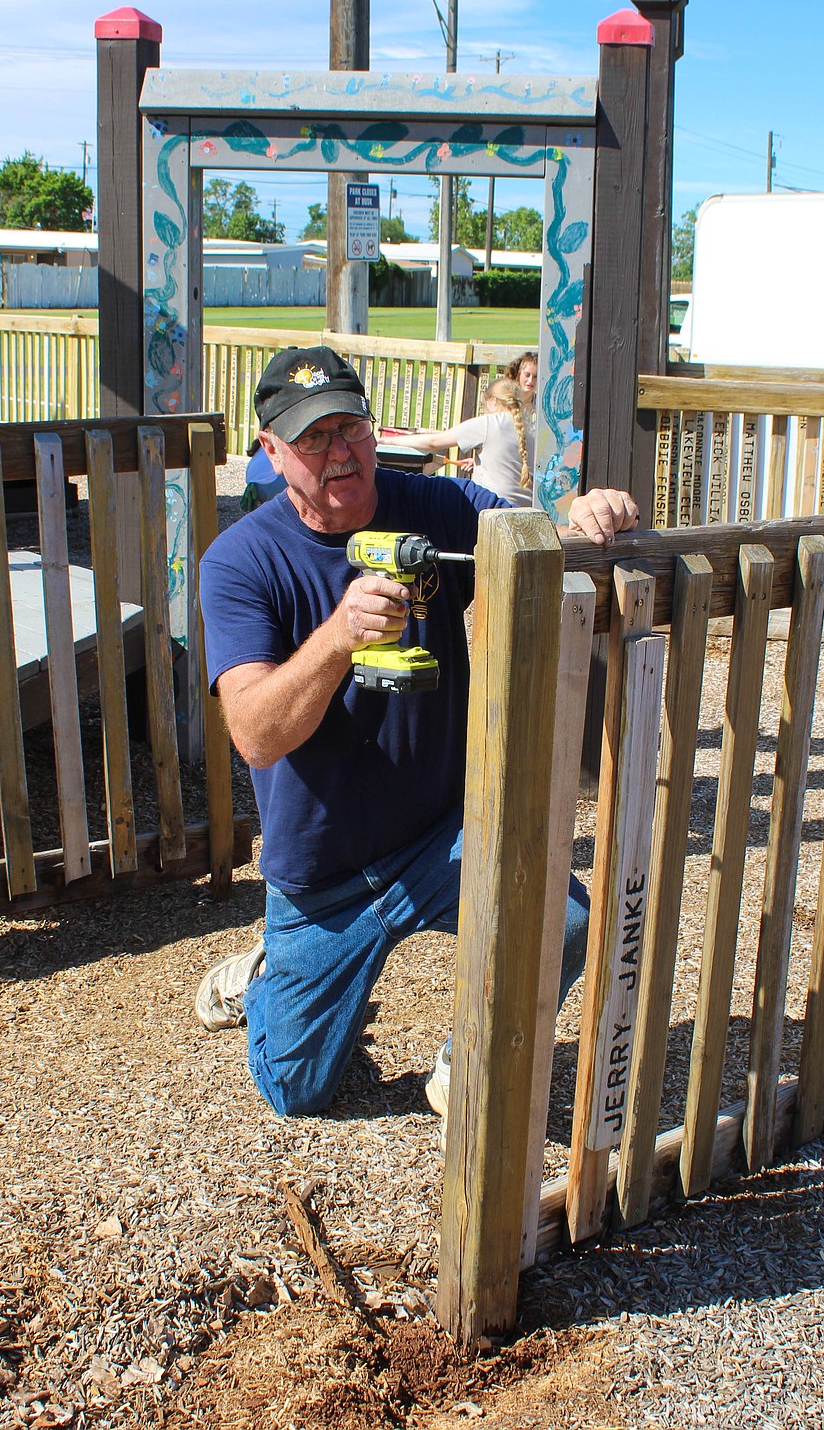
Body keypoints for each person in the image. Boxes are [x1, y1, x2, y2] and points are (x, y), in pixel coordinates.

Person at [195, 344, 637, 1126]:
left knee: (566, 921)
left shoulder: (432, 508)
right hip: (323, 875)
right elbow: (256, 734)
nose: (339, 453)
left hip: (439, 840)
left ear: (375, 429)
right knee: (299, 1090)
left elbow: (529, 533)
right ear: (270, 452)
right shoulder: (241, 560)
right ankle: (267, 972)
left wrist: (580, 511)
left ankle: (461, 1064)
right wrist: (339, 635)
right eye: (312, 438)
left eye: (351, 428)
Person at [392, 374, 534, 506]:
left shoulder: (489, 423)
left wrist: (391, 441)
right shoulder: (529, 428)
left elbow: (434, 442)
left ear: (492, 401)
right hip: (526, 509)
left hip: (494, 507)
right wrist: (480, 464)